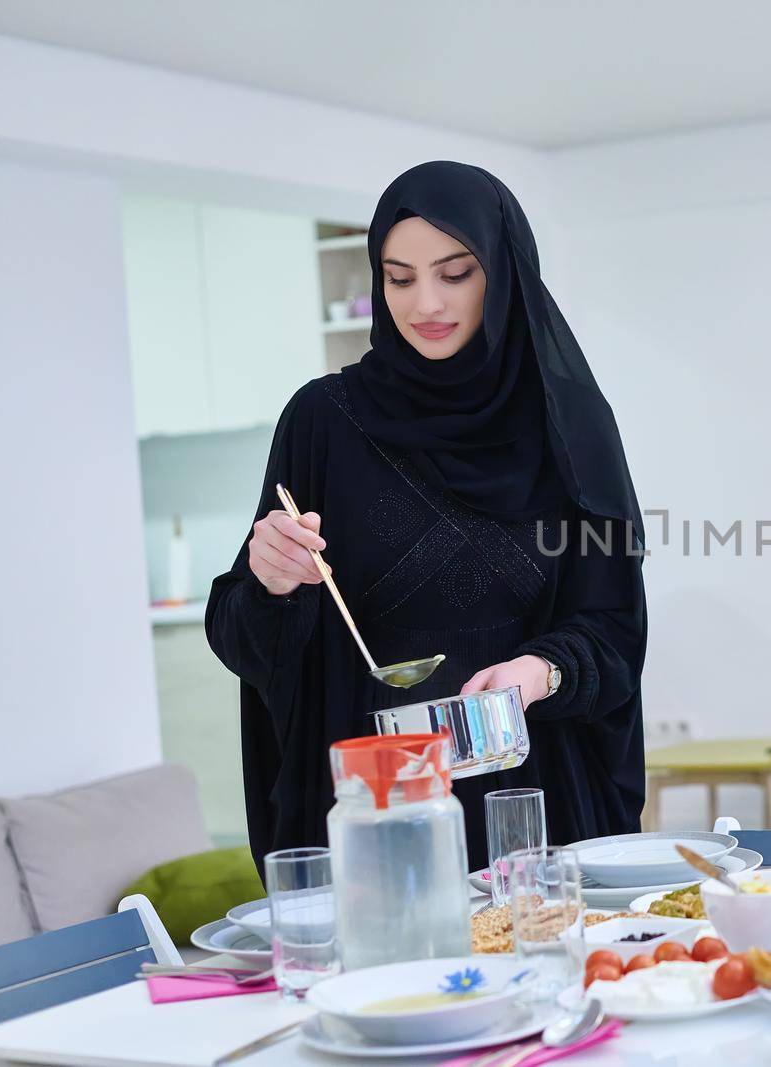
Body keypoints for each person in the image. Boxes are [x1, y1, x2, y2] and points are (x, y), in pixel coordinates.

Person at [206, 161, 647, 872]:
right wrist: (269, 580)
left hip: (534, 805)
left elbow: (614, 633)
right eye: (399, 277)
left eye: (455, 272)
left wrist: (538, 669)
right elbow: (248, 645)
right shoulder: (323, 421)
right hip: (380, 812)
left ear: (502, 272)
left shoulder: (571, 425)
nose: (426, 303)